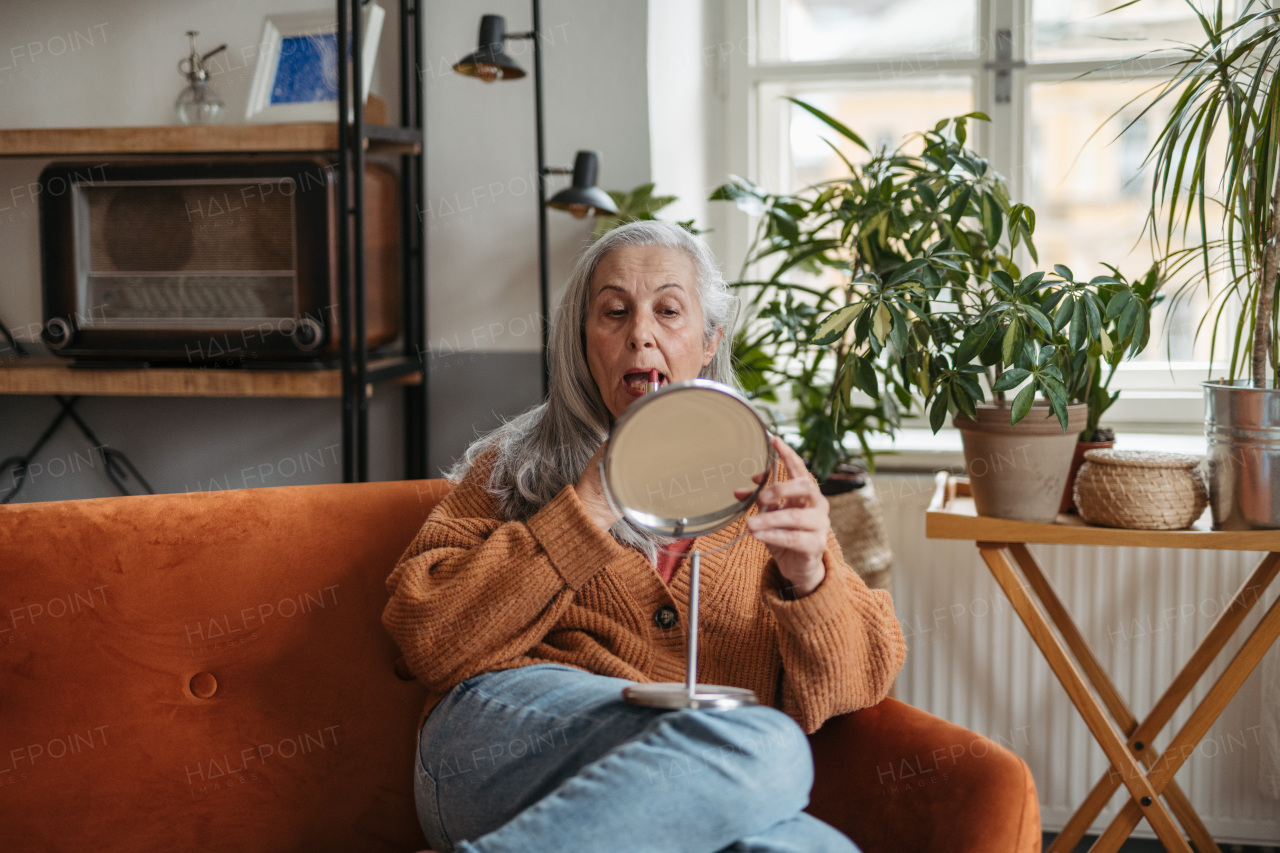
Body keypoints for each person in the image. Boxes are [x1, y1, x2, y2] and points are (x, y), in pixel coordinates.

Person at [382, 220, 905, 853]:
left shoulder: (763, 484)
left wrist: (810, 577)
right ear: (585, 340)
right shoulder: (514, 464)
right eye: (614, 312)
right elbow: (423, 638)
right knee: (759, 741)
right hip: (490, 754)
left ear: (709, 341)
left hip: (656, 796)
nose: (640, 335)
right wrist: (590, 504)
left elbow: (859, 686)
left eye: (668, 311)